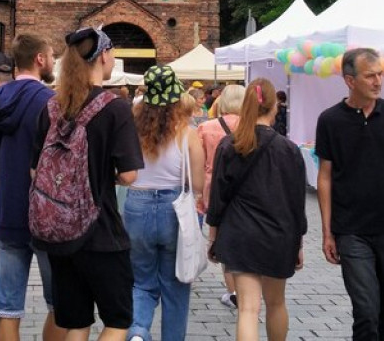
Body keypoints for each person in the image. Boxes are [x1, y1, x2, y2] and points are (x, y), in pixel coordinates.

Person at [31, 26, 144, 341]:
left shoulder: (52, 108)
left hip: (60, 235)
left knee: (77, 322)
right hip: (102, 233)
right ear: (103, 56)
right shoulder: (115, 107)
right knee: (118, 321)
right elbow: (129, 175)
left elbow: (35, 172)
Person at [315, 48, 384, 341]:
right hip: (351, 229)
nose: (378, 81)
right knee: (365, 309)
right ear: (350, 80)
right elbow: (324, 177)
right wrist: (327, 232)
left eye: (380, 75)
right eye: (370, 76)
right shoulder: (329, 120)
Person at [0, 33, 62, 341]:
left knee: (8, 309)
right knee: (60, 306)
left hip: (8, 210)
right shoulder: (52, 101)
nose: (53, 61)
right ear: (40, 59)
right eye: (51, 56)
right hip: (49, 213)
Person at [207, 79, 307, 341]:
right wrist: (298, 242)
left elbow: (218, 197)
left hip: (240, 233)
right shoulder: (289, 149)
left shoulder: (229, 145)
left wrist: (214, 236)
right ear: (274, 106)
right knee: (276, 303)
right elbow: (297, 202)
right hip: (278, 234)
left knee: (248, 310)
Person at [124, 65, 204, 341]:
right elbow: (198, 185)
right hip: (174, 209)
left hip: (137, 204)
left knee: (141, 281)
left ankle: (136, 331)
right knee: (175, 284)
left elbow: (122, 173)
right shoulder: (188, 133)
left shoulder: (131, 130)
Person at [196, 83, 245, 307]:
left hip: (211, 187)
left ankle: (232, 290)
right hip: (244, 189)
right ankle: (246, 285)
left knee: (218, 236)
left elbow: (198, 161)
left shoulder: (206, 127)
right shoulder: (251, 127)